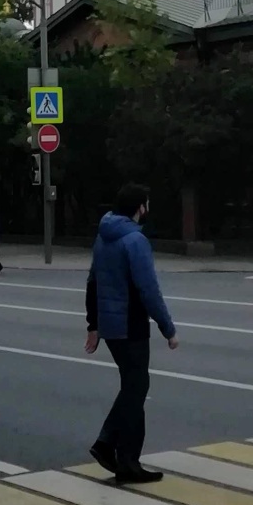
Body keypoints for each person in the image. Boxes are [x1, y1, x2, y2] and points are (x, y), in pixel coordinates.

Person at [85, 183, 178, 484]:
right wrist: (168, 328)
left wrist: (93, 325)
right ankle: (111, 448)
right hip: (131, 324)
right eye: (147, 204)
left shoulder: (103, 235)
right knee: (136, 388)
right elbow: (148, 289)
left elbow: (92, 282)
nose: (148, 209)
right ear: (140, 208)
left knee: (133, 386)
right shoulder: (135, 240)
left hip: (112, 328)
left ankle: (126, 460)